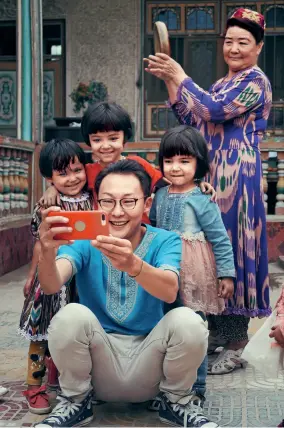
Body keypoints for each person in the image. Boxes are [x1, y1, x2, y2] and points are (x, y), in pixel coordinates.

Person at [34, 159, 217, 428]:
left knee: (189, 321)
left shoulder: (165, 240)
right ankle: (76, 401)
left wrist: (134, 266)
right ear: (97, 204)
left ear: (147, 204)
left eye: (129, 202)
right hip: (98, 370)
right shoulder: (84, 242)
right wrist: (47, 252)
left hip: (151, 368)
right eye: (108, 201)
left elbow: (169, 291)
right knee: (70, 314)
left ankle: (176, 402)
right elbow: (52, 284)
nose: (117, 212)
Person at [145, 8, 272, 374]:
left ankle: (236, 341)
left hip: (239, 176)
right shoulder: (220, 83)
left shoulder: (255, 82)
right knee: (209, 251)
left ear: (259, 47)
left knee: (233, 247)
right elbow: (193, 117)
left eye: (243, 42)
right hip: (212, 171)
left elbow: (213, 111)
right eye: (229, 41)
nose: (233, 48)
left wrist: (180, 74)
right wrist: (172, 79)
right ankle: (217, 331)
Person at [150, 125, 235, 406]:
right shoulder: (159, 195)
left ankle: (197, 386)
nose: (175, 168)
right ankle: (165, 384)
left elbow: (219, 238)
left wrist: (226, 273)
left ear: (198, 163)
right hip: (163, 270)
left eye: (184, 161)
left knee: (195, 329)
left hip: (193, 274)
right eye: (169, 161)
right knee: (165, 326)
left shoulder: (202, 198)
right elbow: (152, 227)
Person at [40, 102, 216, 220]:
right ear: (88, 141)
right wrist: (52, 189)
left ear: (125, 138)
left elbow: (171, 182)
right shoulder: (87, 171)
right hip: (104, 233)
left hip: (142, 229)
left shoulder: (138, 164)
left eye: (113, 138)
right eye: (97, 139)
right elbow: (70, 179)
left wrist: (197, 184)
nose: (105, 146)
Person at [18, 139, 93, 414]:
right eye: (62, 173)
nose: (72, 178)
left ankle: (65, 378)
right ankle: (34, 386)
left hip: (82, 277)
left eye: (77, 170)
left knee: (75, 331)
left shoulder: (95, 197)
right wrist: (31, 277)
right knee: (40, 332)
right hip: (51, 277)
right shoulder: (48, 206)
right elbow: (40, 244)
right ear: (50, 177)